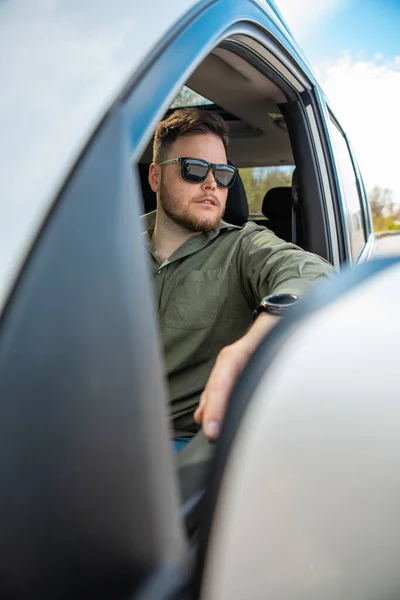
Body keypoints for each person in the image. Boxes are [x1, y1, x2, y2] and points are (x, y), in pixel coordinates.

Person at [144, 107, 334, 449]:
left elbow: (314, 274)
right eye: (194, 169)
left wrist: (252, 344)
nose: (212, 183)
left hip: (187, 442)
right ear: (156, 177)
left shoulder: (244, 245)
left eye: (224, 173)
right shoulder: (107, 242)